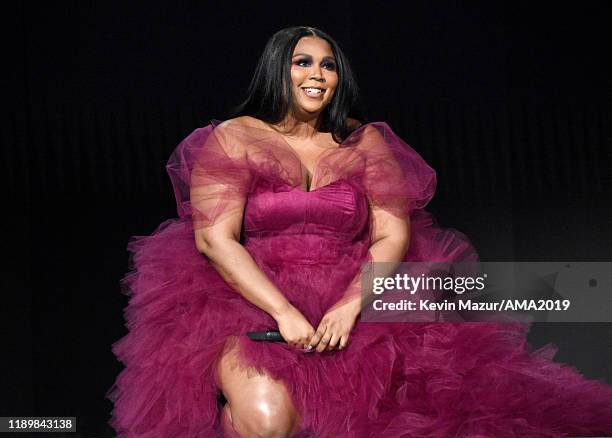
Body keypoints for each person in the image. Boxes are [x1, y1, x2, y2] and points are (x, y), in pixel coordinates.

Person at [107, 26, 612, 437]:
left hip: (352, 290)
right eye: (302, 62)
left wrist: (351, 305)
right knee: (266, 422)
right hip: (247, 293)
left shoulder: (364, 140)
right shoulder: (234, 137)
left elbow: (392, 234)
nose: (317, 74)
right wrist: (281, 311)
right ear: (277, 69)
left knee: (434, 409)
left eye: (328, 65)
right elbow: (214, 238)